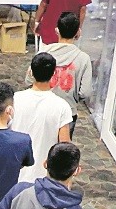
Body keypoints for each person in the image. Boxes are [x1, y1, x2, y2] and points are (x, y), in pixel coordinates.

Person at [27, 12, 92, 137]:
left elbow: (29, 79)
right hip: (68, 112)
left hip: (42, 108)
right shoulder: (83, 59)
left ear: (57, 30)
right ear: (78, 33)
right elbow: (85, 92)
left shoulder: (44, 52)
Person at [14, 52, 73, 183]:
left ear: (31, 72)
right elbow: (64, 147)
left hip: (13, 174)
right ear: (53, 74)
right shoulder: (62, 107)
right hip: (43, 178)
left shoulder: (14, 99)